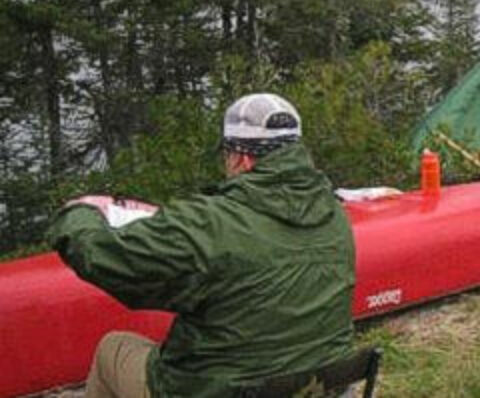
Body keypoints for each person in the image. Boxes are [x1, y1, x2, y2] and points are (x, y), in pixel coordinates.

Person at [46, 93, 355, 398]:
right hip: (321, 384)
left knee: (112, 348)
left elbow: (106, 257)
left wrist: (79, 213)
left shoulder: (210, 223)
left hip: (221, 389)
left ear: (241, 158)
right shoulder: (333, 214)